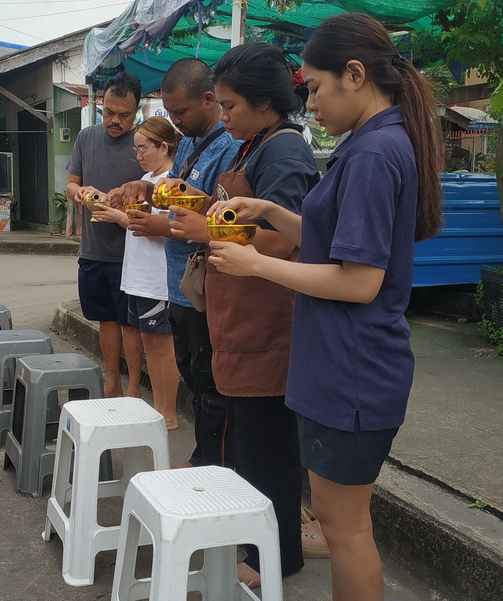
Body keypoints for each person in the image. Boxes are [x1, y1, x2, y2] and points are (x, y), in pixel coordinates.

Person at [205, 14, 443, 601]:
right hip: (340, 364)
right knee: (340, 523)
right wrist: (270, 212)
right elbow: (331, 240)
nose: (308, 103)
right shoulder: (370, 143)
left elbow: (359, 281)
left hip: (352, 370)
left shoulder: (373, 152)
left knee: (345, 527)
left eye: (313, 88)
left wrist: (258, 265)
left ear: (354, 75)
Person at [171, 42, 320, 588]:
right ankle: (260, 544)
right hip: (240, 318)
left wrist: (207, 229)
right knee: (249, 441)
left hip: (268, 323)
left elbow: (282, 239)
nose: (224, 114)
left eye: (230, 105)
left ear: (264, 103)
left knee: (267, 448)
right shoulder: (252, 144)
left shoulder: (283, 150)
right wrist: (190, 201)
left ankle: (274, 558)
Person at [110, 58, 241, 467]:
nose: (176, 121)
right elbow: (176, 195)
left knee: (211, 383)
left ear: (210, 100)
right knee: (196, 378)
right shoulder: (188, 143)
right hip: (179, 284)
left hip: (206, 285)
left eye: (181, 111)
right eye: (170, 112)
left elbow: (219, 219)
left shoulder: (228, 147)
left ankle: (212, 465)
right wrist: (145, 189)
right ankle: (204, 457)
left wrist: (158, 225)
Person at [92, 116, 182, 429]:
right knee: (150, 344)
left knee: (161, 346)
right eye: (136, 150)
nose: (139, 156)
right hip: (139, 276)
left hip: (157, 278)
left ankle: (167, 414)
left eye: (144, 148)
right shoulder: (146, 179)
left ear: (164, 147)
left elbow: (167, 232)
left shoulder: (170, 182)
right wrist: (115, 209)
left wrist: (122, 217)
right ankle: (160, 410)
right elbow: (138, 226)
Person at [66, 71, 146, 398]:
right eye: (108, 112)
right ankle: (111, 382)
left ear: (137, 111)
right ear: (101, 104)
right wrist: (80, 193)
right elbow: (71, 184)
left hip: (133, 253)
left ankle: (134, 389)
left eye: (124, 115)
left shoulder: (143, 143)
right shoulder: (86, 137)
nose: (115, 120)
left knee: (132, 324)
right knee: (106, 320)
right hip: (93, 249)